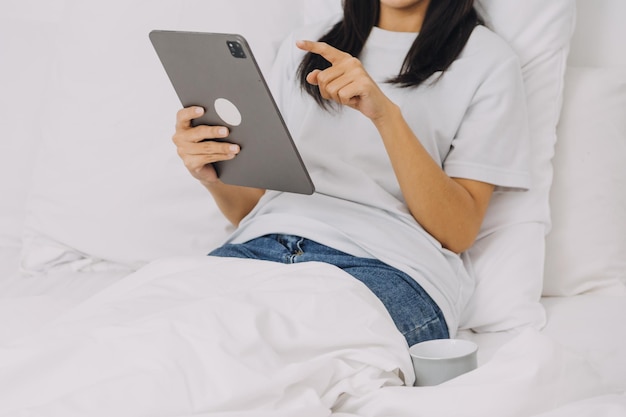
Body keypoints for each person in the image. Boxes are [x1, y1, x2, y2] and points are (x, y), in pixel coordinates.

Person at [172, 0, 530, 348]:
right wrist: (212, 176)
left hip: (388, 265)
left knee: (261, 354)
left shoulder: (486, 61)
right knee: (168, 335)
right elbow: (249, 211)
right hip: (262, 246)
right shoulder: (305, 45)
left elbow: (458, 231)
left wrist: (385, 116)